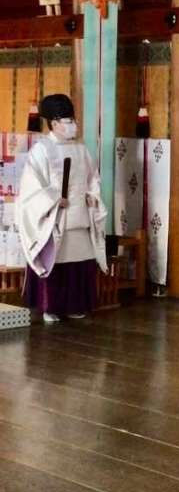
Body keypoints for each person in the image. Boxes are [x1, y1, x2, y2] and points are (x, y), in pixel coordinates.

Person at [16, 93, 107, 323]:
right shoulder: (42, 150)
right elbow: (31, 186)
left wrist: (92, 196)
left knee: (80, 263)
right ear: (54, 123)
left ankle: (76, 305)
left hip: (80, 216)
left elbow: (92, 178)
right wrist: (54, 199)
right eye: (68, 121)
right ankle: (50, 307)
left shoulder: (81, 149)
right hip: (55, 217)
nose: (73, 125)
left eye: (73, 120)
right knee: (55, 262)